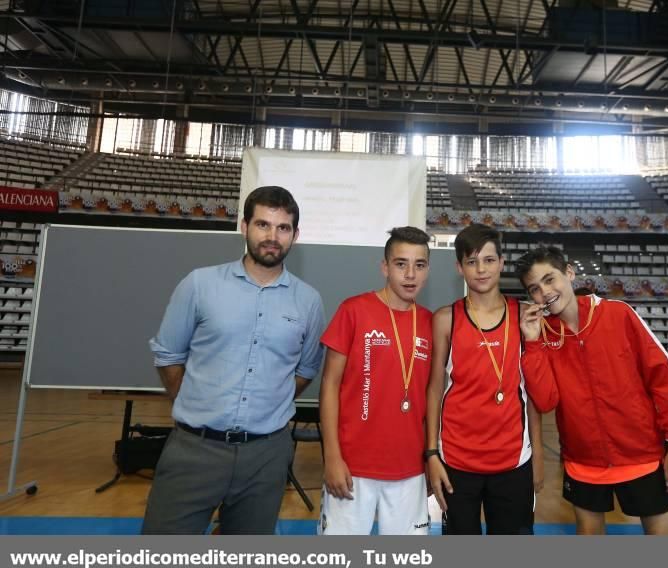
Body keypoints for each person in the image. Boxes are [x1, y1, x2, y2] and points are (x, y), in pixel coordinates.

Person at [142, 186, 325, 535]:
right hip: (194, 449)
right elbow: (168, 354)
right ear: (244, 227)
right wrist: (191, 402)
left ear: (295, 235)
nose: (272, 236)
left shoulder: (308, 301)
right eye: (263, 225)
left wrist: (270, 399)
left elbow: (305, 369)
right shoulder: (199, 284)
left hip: (266, 456)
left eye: (283, 228)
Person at [516, 246, 668, 535]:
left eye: (550, 279)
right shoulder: (543, 334)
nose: (544, 292)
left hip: (642, 455)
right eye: (534, 288)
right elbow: (546, 401)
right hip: (582, 459)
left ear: (569, 273)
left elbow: (665, 379)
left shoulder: (618, 314)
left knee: (660, 535)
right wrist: (532, 343)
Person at [426, 223, 544, 535]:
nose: (481, 269)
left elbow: (532, 393)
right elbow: (435, 390)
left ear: (502, 263)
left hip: (514, 461)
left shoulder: (525, 316)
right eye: (472, 261)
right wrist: (431, 454)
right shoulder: (445, 319)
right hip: (456, 461)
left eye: (489, 260)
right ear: (459, 267)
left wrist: (539, 457)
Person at [318, 226, 433, 535]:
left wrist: (431, 459)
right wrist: (332, 456)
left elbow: (433, 399)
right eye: (400, 264)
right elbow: (329, 385)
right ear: (384, 267)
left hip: (410, 470)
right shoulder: (353, 311)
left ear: (427, 270)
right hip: (353, 468)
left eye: (419, 265)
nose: (410, 274)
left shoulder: (430, 322)